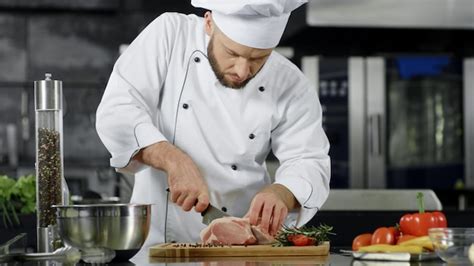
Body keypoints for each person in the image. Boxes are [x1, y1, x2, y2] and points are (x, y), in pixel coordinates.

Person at [96, 0, 330, 249]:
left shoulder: (291, 83)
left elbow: (309, 159)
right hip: (158, 245)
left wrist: (282, 192)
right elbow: (117, 110)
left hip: (243, 247)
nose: (242, 70)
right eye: (232, 53)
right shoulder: (171, 35)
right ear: (209, 22)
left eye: (259, 58)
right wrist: (172, 159)